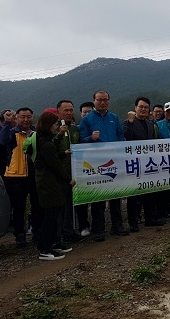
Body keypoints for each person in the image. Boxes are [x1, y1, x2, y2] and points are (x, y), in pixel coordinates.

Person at [79, 90, 129, 241]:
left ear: (109, 100)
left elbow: (121, 137)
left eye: (105, 100)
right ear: (93, 101)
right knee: (98, 197)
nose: (102, 102)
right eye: (99, 100)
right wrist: (91, 138)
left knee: (116, 195)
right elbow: (81, 141)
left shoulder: (114, 117)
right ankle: (98, 229)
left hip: (114, 161)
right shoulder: (87, 119)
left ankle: (117, 225)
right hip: (96, 163)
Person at [33, 111, 75, 260]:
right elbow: (55, 165)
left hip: (46, 182)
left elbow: (53, 158)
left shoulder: (42, 139)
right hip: (48, 184)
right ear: (49, 125)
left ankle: (53, 243)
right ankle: (45, 248)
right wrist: (68, 179)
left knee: (53, 214)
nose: (57, 127)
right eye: (55, 124)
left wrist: (63, 154)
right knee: (50, 217)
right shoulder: (46, 144)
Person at [0, 107, 42, 247]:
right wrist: (7, 122)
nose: (26, 119)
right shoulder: (11, 133)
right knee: (19, 207)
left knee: (37, 205)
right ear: (16, 118)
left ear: (32, 117)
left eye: (29, 116)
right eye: (22, 117)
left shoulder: (36, 133)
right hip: (15, 175)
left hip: (34, 174)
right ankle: (20, 234)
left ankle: (37, 232)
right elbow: (2, 140)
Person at [123, 96, 166, 230]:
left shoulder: (151, 124)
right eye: (140, 107)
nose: (143, 109)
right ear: (135, 108)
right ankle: (133, 222)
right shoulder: (127, 122)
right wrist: (130, 122)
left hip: (149, 163)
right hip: (135, 164)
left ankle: (150, 218)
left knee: (150, 193)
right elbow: (126, 138)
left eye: (146, 107)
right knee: (135, 196)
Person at [54, 100, 84, 243]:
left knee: (71, 204)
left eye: (71, 110)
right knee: (60, 206)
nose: (69, 113)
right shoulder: (54, 129)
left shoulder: (75, 129)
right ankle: (59, 235)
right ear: (58, 111)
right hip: (59, 173)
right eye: (65, 110)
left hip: (75, 172)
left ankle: (69, 232)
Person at [75, 101, 95, 237]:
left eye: (90, 111)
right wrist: (91, 138)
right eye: (84, 112)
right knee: (81, 199)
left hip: (96, 166)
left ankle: (97, 225)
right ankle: (83, 225)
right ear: (81, 113)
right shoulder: (76, 129)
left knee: (95, 196)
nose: (87, 114)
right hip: (80, 167)